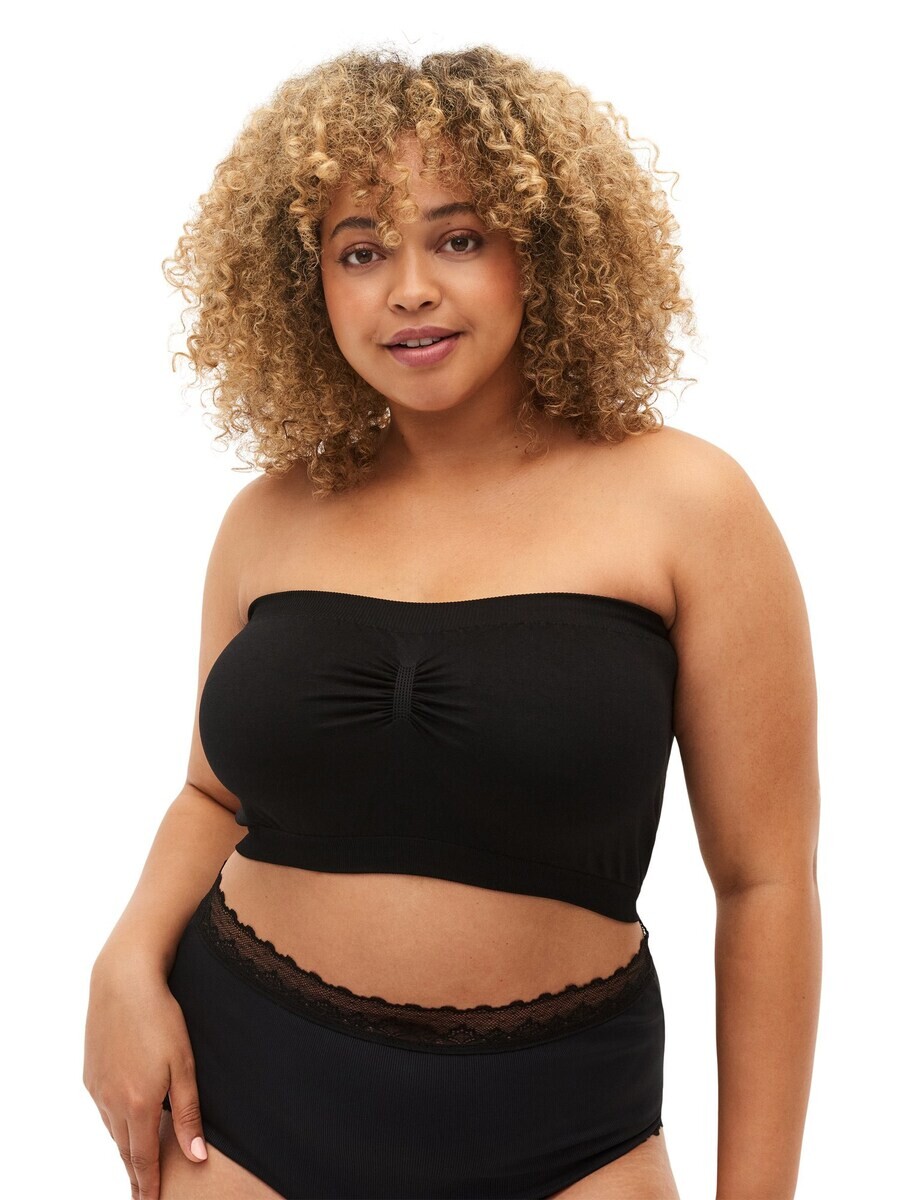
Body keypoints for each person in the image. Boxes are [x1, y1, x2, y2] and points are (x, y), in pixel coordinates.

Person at [82, 44, 822, 1200]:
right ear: (307, 285)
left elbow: (765, 883)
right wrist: (124, 960)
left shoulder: (688, 505)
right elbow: (212, 795)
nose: (410, 288)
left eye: (459, 238)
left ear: (545, 248)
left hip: (568, 1129)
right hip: (243, 1106)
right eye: (360, 251)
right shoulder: (268, 518)